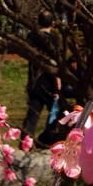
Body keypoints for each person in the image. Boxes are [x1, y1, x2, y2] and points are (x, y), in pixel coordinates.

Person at [22, 10, 61, 143]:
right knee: (56, 114)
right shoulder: (52, 40)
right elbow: (56, 63)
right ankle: (48, 140)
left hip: (34, 81)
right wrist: (58, 85)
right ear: (53, 23)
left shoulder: (31, 37)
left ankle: (25, 143)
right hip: (49, 82)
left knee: (32, 116)